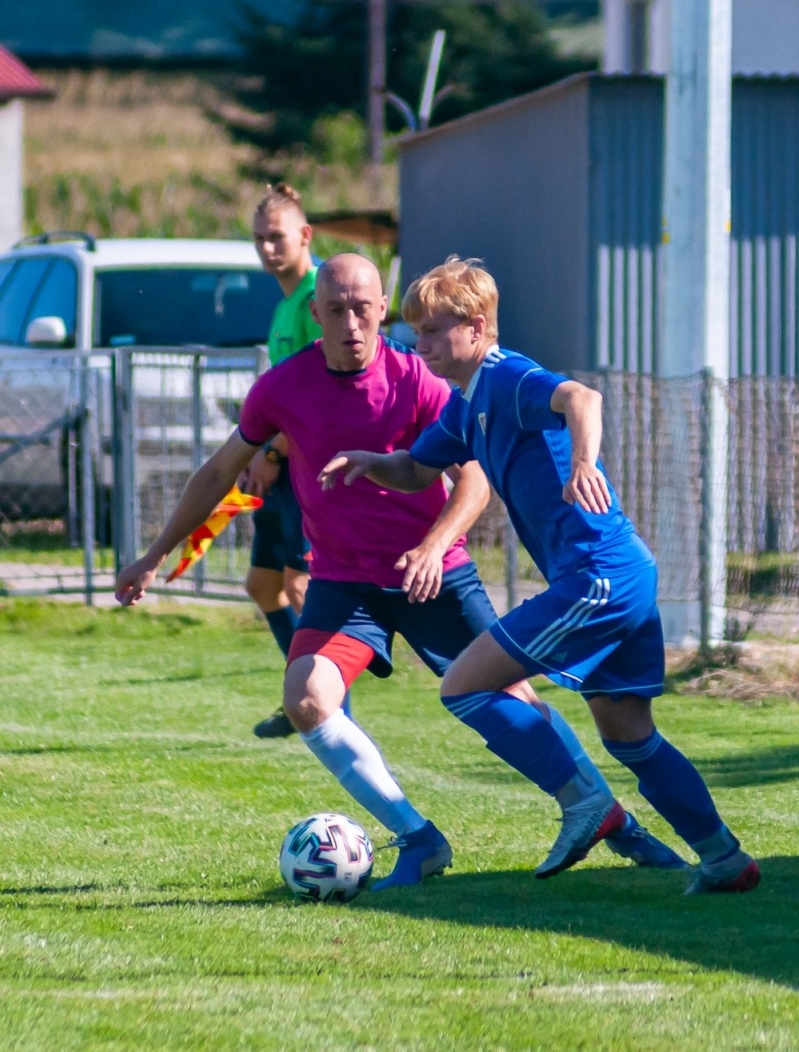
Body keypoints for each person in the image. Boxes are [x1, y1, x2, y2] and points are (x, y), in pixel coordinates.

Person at [114, 254, 681, 891]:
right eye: (337, 310)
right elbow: (219, 472)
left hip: (434, 576)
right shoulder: (281, 388)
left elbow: (474, 482)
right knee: (304, 698)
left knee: (512, 698)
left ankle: (612, 820)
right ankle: (419, 839)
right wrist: (156, 552)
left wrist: (436, 545)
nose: (352, 323)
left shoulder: (420, 378)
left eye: (363, 308)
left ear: (382, 308)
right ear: (316, 314)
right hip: (344, 582)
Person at [321, 257, 760, 895]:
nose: (423, 346)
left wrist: (583, 459)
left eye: (437, 332)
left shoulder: (506, 377)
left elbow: (582, 397)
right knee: (629, 735)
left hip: (596, 577)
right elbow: (419, 469)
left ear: (476, 328)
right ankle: (723, 859)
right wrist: (371, 462)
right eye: (418, 333)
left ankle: (587, 806)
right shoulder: (467, 405)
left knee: (464, 686)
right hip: (617, 575)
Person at [245, 184, 321, 739]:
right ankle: (298, 697)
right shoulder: (283, 304)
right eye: (259, 239)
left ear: (304, 236)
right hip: (278, 467)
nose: (268, 249)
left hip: (306, 468)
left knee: (300, 585)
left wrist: (273, 452)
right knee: (262, 585)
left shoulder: (321, 296)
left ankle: (325, 704)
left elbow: (320, 398)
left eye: (277, 237)